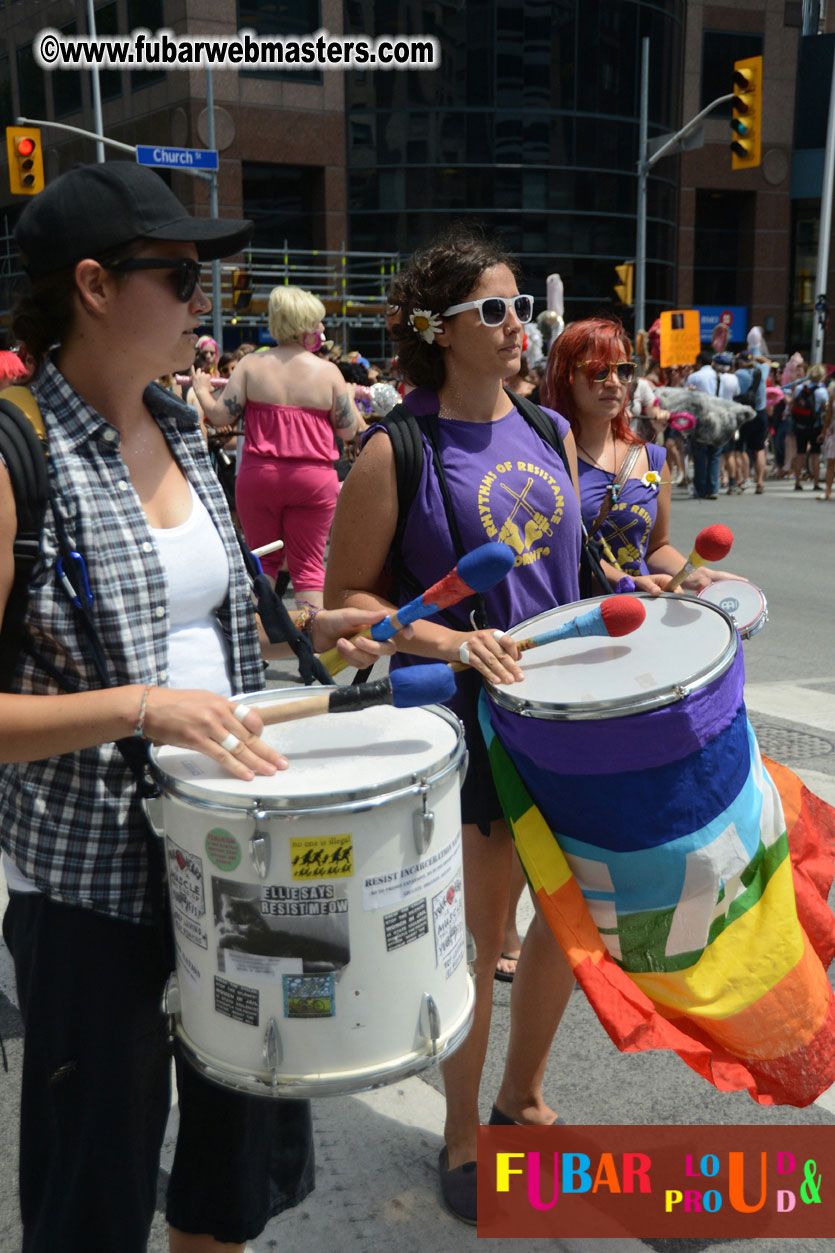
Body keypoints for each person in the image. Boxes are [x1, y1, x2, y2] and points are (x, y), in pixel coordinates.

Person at [0, 160, 397, 1253]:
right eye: (178, 275)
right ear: (92, 284)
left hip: (248, 846)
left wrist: (320, 630)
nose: (201, 300)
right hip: (94, 880)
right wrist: (141, 708)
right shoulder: (17, 447)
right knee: (95, 1183)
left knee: (238, 1154)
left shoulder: (182, 424)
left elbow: (218, 619)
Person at [324, 223, 582, 1224]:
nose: (520, 325)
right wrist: (453, 642)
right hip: (469, 723)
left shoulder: (549, 430)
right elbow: (345, 598)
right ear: (439, 328)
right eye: (497, 310)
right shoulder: (399, 445)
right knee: (478, 940)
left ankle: (522, 1096)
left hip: (564, 709)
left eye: (523, 308)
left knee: (566, 924)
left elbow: (569, 570)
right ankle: (464, 1126)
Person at [192, 287, 364, 610]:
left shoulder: (251, 366)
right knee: (309, 570)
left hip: (260, 477)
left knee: (263, 565)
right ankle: (313, 654)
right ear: (303, 324)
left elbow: (220, 416)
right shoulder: (328, 372)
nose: (322, 331)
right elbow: (349, 429)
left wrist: (202, 391)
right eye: (318, 323)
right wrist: (351, 400)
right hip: (313, 480)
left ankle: (251, 647)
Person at [543, 318, 734, 595]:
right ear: (565, 377)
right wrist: (622, 580)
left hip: (639, 619)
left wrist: (694, 573)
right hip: (575, 619)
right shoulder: (544, 456)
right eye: (598, 371)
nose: (613, 382)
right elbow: (553, 552)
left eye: (623, 370)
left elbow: (657, 547)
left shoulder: (654, 459)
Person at [684, 351, 739, 499]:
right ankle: (713, 488)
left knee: (700, 454)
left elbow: (686, 396)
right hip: (719, 418)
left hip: (701, 419)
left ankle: (700, 488)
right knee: (715, 454)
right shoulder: (719, 376)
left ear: (699, 363)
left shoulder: (694, 376)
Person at [733, 350, 769, 494]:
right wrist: (755, 358)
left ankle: (743, 479)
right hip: (760, 413)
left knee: (740, 448)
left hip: (744, 414)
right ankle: (760, 482)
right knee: (759, 449)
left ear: (741, 362)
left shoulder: (738, 375)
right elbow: (767, 361)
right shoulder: (761, 371)